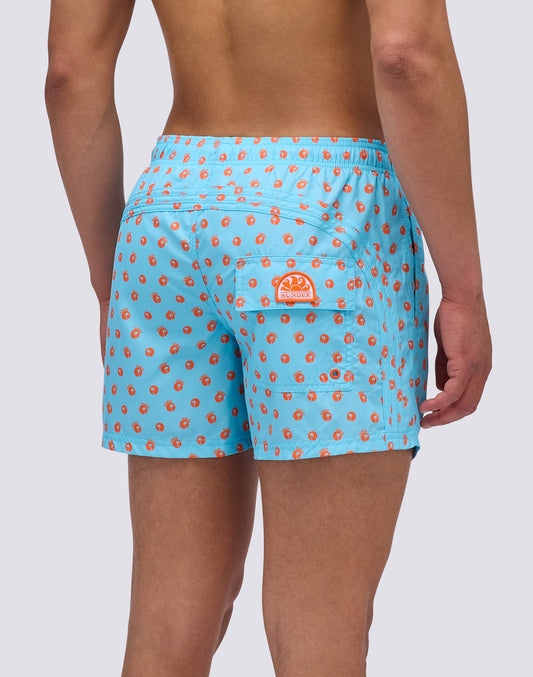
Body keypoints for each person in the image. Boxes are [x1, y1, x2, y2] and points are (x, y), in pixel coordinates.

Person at [45, 0, 492, 675]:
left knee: (167, 623)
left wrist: (111, 282)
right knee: (319, 626)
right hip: (322, 212)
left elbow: (69, 74)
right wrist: (463, 290)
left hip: (167, 215)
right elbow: (406, 53)